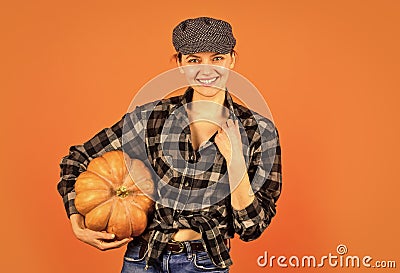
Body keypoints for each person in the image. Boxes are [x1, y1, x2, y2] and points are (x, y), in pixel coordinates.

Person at [57, 17, 282, 273]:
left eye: (217, 58)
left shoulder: (259, 131)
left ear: (232, 59)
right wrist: (77, 222)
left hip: (203, 263)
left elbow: (251, 228)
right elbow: (76, 160)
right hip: (141, 260)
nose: (206, 70)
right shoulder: (149, 118)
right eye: (194, 60)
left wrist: (236, 161)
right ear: (179, 64)